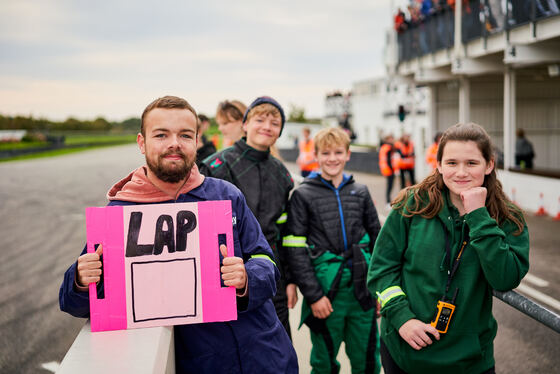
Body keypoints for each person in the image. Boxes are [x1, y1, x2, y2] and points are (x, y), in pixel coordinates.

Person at [58, 96, 298, 374]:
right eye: (161, 135)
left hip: (268, 355)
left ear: (196, 141)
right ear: (141, 142)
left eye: (185, 135)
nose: (174, 143)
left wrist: (247, 276)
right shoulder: (120, 213)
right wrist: (80, 279)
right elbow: (73, 301)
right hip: (204, 362)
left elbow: (267, 262)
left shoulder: (226, 194)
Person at [368, 122, 529, 374]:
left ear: (489, 164)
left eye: (472, 163)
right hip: (404, 352)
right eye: (452, 163)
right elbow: (381, 270)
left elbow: (505, 278)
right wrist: (402, 318)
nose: (461, 172)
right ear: (439, 164)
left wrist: (479, 216)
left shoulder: (507, 217)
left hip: (470, 362)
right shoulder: (412, 204)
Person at [283, 127, 382, 374]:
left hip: (363, 291)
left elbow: (380, 242)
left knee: (368, 361)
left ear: (348, 154)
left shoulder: (360, 192)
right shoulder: (303, 194)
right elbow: (294, 249)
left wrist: (380, 290)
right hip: (326, 291)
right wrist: (314, 295)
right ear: (316, 155)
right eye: (325, 153)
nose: (332, 158)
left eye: (338, 152)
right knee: (324, 363)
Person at [200, 96, 297, 339]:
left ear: (279, 132)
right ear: (245, 124)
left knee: (280, 350)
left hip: (271, 277)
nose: (267, 126)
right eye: (260, 119)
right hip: (227, 278)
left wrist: (290, 280)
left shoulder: (283, 174)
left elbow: (284, 233)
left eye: (274, 123)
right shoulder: (214, 166)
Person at [378, 134, 399, 208]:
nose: (392, 140)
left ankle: (388, 201)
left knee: (389, 186)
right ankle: (388, 202)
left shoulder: (384, 147)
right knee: (389, 187)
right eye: (391, 139)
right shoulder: (388, 148)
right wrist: (393, 169)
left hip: (386, 169)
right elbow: (389, 160)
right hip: (389, 170)